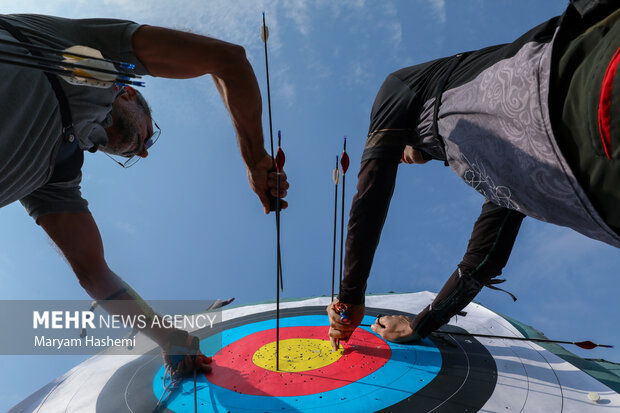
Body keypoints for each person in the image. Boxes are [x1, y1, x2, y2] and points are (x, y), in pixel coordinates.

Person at [0, 14, 288, 376]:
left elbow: (93, 272)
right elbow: (227, 59)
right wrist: (255, 156)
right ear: (130, 93)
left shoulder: (57, 172)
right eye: (148, 136)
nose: (144, 151)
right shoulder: (89, 55)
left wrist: (168, 339)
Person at [327, 0, 619, 348]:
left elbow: (370, 191)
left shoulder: (400, 85)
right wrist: (422, 324)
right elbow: (483, 258)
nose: (403, 158)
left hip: (589, 89)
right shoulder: (498, 172)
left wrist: (350, 298)